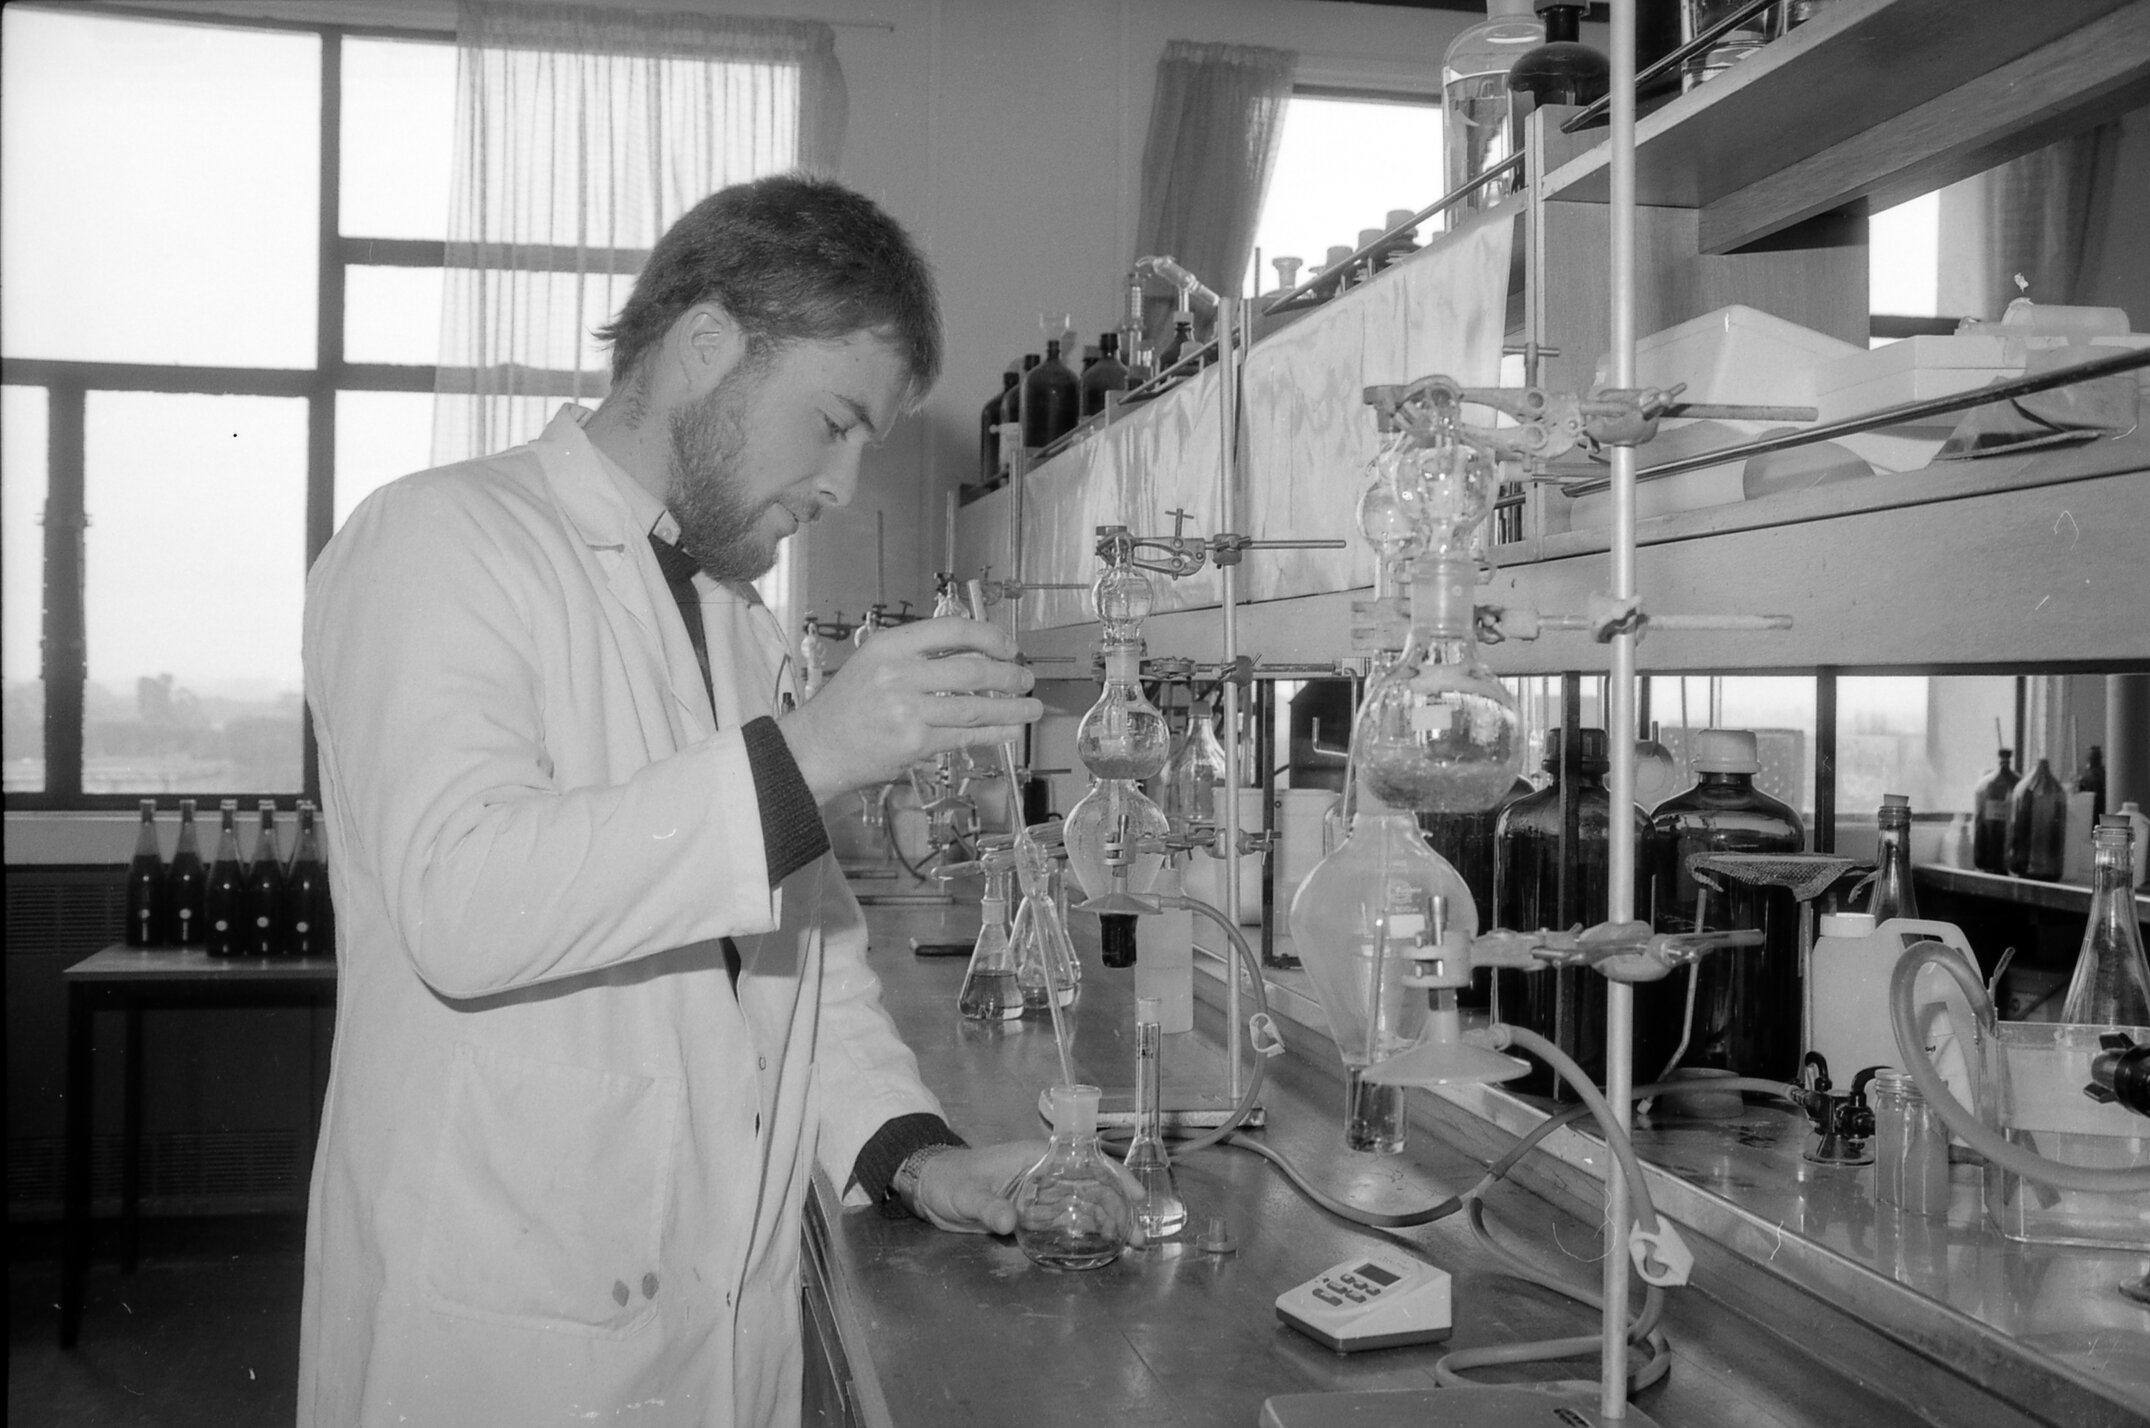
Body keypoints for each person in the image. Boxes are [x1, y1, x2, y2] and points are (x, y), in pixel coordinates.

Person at [297, 174, 1057, 1427]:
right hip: (503, 1349)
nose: (844, 483)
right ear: (706, 346)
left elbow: (804, 969)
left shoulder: (733, 627)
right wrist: (810, 757)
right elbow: (461, 900)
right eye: (832, 422)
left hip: (709, 1339)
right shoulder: (438, 542)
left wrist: (917, 1158)